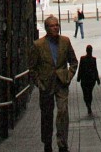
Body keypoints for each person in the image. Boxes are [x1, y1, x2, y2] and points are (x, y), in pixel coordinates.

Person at [28, 15, 78, 152]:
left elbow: (73, 62)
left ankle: (62, 143)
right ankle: (47, 143)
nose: (56, 27)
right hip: (46, 84)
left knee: (63, 111)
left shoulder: (65, 41)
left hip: (61, 83)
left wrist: (68, 75)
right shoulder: (38, 45)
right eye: (52, 25)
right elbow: (32, 68)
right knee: (47, 115)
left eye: (57, 25)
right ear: (46, 28)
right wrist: (39, 83)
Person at [76, 44, 100, 115]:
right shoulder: (93, 59)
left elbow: (80, 69)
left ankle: (88, 104)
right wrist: (97, 79)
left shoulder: (82, 59)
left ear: (86, 51)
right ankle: (89, 104)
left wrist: (78, 78)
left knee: (85, 93)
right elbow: (95, 70)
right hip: (91, 80)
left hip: (84, 80)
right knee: (89, 93)